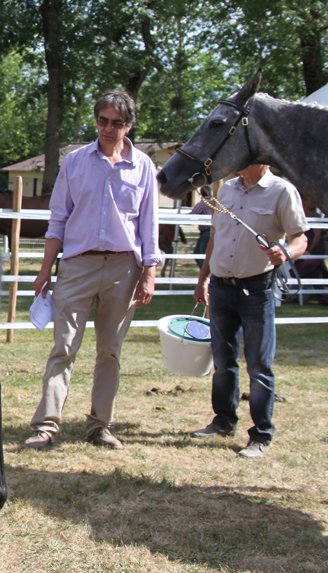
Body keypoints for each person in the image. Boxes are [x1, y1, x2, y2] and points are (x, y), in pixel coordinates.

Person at [24, 90, 161, 450]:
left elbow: (149, 223)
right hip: (77, 264)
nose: (108, 128)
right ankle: (46, 425)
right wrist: (45, 269)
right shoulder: (74, 162)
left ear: (129, 125)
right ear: (96, 120)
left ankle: (100, 425)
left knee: (110, 351)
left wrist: (149, 272)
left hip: (123, 268)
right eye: (103, 120)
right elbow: (58, 218)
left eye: (117, 122)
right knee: (63, 347)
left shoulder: (144, 166)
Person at [189, 164, 308, 458]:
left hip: (257, 290)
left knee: (259, 365)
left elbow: (300, 238)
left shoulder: (281, 191)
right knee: (223, 361)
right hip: (221, 286)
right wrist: (203, 279)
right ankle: (223, 421)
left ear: (262, 159)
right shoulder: (226, 190)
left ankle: (261, 434)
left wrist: (286, 253)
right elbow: (215, 237)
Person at [189, 197, 212, 268]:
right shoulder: (218, 203)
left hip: (207, 232)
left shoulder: (203, 203)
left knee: (199, 254)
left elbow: (191, 216)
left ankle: (205, 272)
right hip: (214, 231)